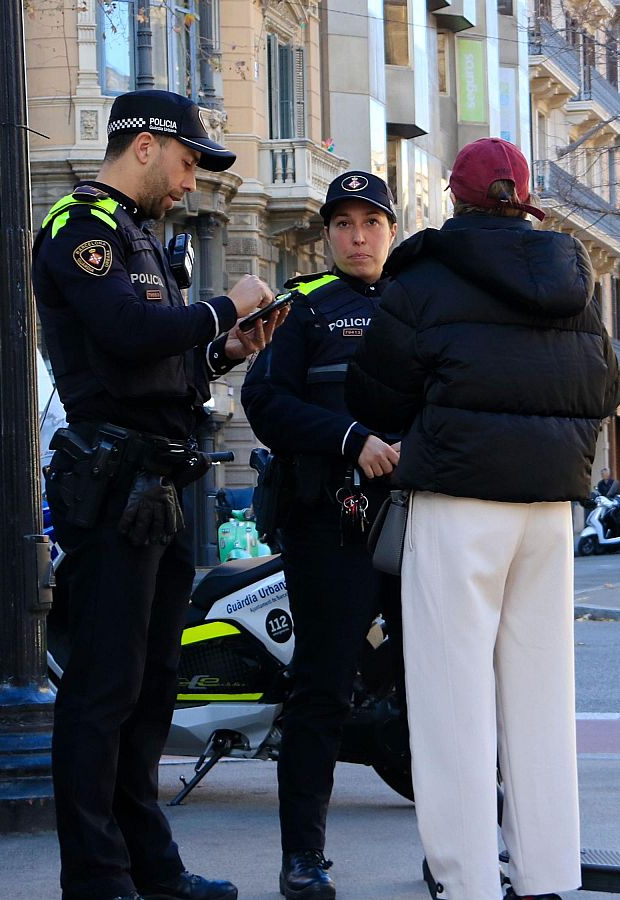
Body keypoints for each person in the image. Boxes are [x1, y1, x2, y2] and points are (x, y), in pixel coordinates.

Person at [345, 137, 620, 900]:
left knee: (450, 701)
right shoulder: (571, 277)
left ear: (456, 201)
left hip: (458, 502)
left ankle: (466, 881)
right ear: (522, 199)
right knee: (540, 701)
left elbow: (375, 397)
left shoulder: (425, 277)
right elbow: (605, 389)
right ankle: (545, 876)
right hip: (548, 511)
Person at [35, 89, 280, 900]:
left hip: (160, 487)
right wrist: (224, 304)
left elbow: (152, 365)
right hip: (114, 488)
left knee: (150, 687)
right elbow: (128, 336)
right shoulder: (83, 227)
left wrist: (224, 347)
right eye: (185, 164)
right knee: (104, 689)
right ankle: (98, 878)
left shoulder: (139, 233)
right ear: (144, 146)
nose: (189, 185)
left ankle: (150, 868)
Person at [239, 170, 402, 899]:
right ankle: (303, 860)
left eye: (371, 222)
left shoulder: (422, 300)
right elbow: (263, 399)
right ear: (328, 234)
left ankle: (462, 851)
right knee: (322, 690)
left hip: (419, 522)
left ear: (392, 229)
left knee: (442, 687)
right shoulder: (303, 307)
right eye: (343, 224)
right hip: (331, 526)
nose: (357, 236)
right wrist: (349, 438)